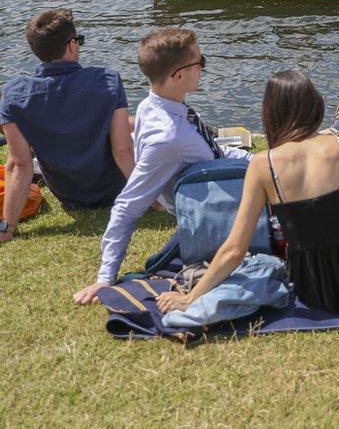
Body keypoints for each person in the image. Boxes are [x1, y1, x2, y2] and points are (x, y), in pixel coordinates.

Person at [157, 70, 339, 315]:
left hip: (315, 288)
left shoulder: (262, 165)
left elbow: (234, 249)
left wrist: (190, 296)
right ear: (315, 105)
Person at [73, 28, 250, 305]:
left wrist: (260, 159)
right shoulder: (169, 137)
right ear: (178, 75)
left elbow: (213, 151)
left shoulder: (153, 105)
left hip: (221, 180)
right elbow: (128, 206)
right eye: (200, 62)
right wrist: (105, 278)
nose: (204, 67)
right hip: (221, 208)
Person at [0, 9, 134, 244]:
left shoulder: (13, 96)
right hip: (114, 190)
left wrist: (7, 227)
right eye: (78, 42)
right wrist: (150, 199)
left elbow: (20, 164)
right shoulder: (107, 81)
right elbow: (122, 151)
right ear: (72, 45)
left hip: (69, 196)